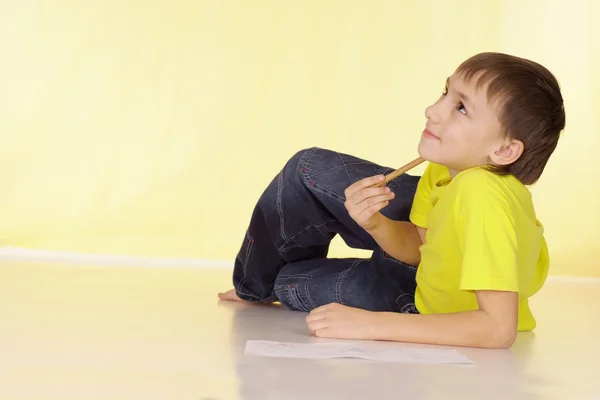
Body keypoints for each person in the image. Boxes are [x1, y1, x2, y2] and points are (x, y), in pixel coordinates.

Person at [218, 52, 566, 349]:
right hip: (425, 275)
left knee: (288, 282)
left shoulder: (483, 196)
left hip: (423, 309)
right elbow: (420, 246)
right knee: (307, 167)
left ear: (504, 150)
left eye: (461, 108)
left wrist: (368, 325)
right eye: (446, 93)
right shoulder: (447, 170)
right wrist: (376, 223)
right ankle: (254, 284)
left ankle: (259, 284)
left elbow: (498, 329)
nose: (432, 110)